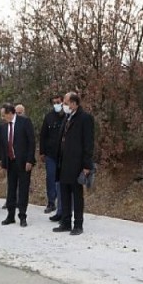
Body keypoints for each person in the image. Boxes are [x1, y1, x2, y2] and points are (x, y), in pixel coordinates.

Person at [53, 92, 95, 235]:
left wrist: (87, 165)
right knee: (64, 193)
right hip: (63, 163)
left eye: (65, 102)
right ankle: (65, 221)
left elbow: (88, 143)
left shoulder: (85, 118)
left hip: (77, 163)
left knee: (77, 195)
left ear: (74, 103)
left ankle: (78, 224)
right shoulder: (67, 118)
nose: (63, 105)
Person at [0, 103, 36, 228]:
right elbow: (4, 146)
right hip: (11, 162)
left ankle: (22, 215)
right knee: (11, 189)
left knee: (23, 189)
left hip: (24, 162)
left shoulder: (24, 122)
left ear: (10, 113)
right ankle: (10, 215)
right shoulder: (4, 127)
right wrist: (4, 163)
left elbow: (32, 142)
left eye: (4, 115)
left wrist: (30, 160)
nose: (3, 117)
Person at [40, 94, 66, 216]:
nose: (56, 104)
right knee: (50, 178)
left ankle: (63, 204)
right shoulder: (48, 117)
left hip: (64, 154)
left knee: (62, 180)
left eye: (58, 102)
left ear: (62, 102)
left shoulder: (67, 116)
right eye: (54, 102)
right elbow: (43, 135)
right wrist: (42, 152)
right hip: (50, 154)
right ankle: (51, 202)